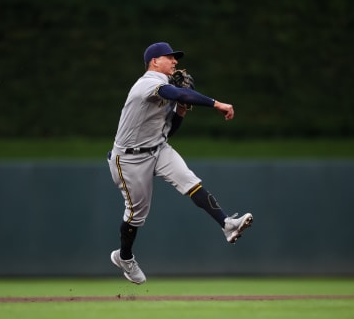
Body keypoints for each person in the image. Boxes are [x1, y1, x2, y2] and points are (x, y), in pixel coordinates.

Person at [107, 42, 253, 284]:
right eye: (169, 57)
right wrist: (216, 104)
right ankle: (124, 257)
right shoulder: (149, 83)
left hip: (159, 149)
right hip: (130, 159)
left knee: (191, 182)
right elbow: (177, 93)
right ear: (154, 61)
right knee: (136, 215)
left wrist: (182, 110)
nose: (175, 62)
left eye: (175, 58)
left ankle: (227, 224)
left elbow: (168, 131)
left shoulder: (166, 88)